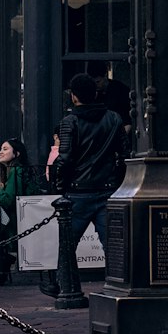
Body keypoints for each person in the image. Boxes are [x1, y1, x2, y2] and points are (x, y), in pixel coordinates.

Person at [56, 72, 128, 252]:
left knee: (67, 248)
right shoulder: (113, 118)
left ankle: (66, 281)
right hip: (107, 188)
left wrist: (60, 186)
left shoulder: (70, 122)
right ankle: (117, 280)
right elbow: (124, 153)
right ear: (95, 94)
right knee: (113, 247)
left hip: (78, 190)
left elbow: (64, 159)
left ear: (73, 96)